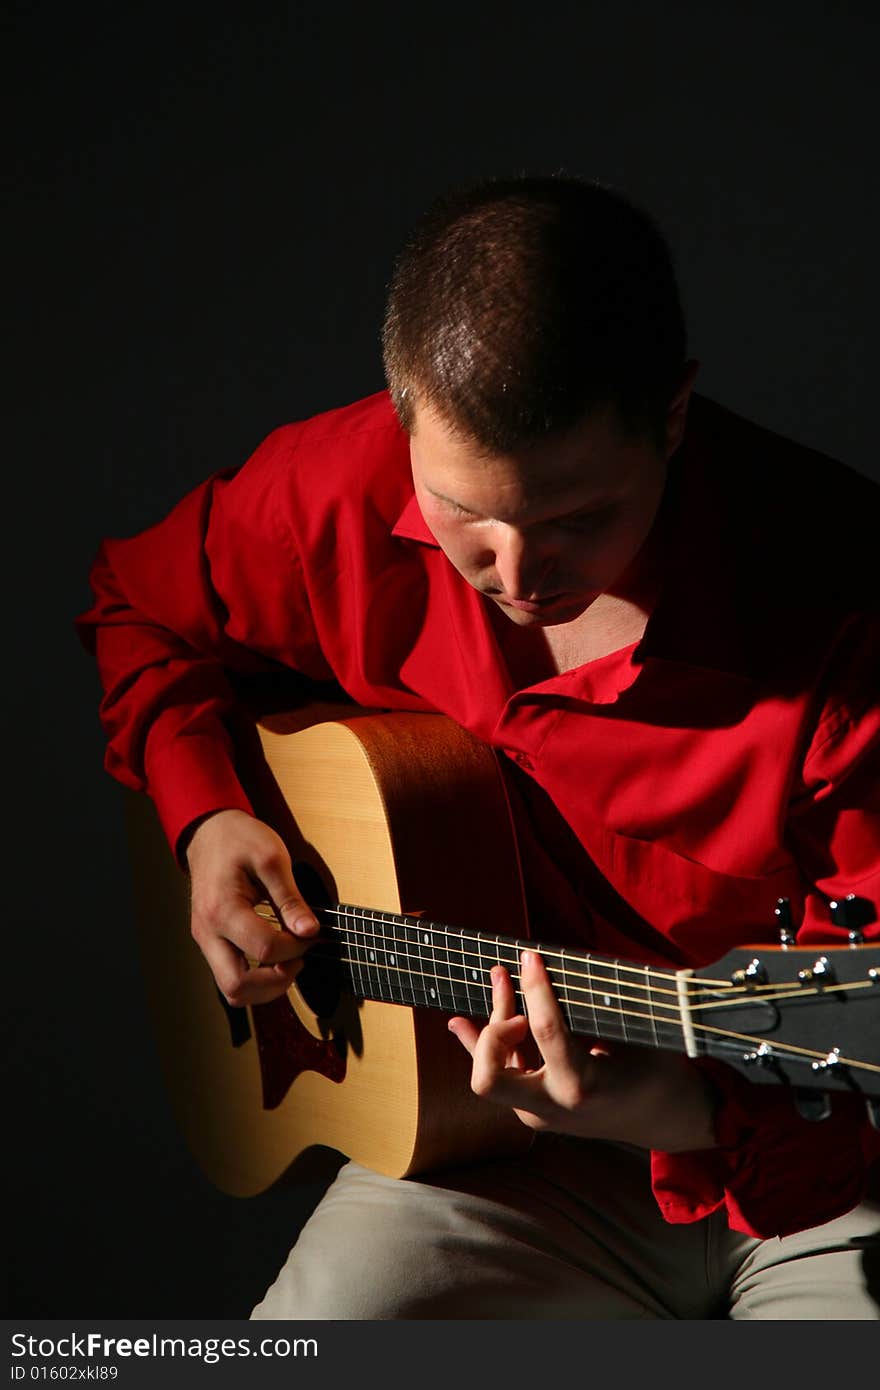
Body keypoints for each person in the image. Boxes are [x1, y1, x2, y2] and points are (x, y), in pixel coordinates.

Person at [76, 175, 880, 1319]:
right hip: (494, 1150)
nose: (513, 573)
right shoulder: (339, 489)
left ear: (673, 415)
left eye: (575, 518)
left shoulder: (846, 614)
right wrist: (206, 814)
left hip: (829, 1162)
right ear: (405, 419)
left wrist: (671, 1109)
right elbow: (139, 606)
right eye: (464, 514)